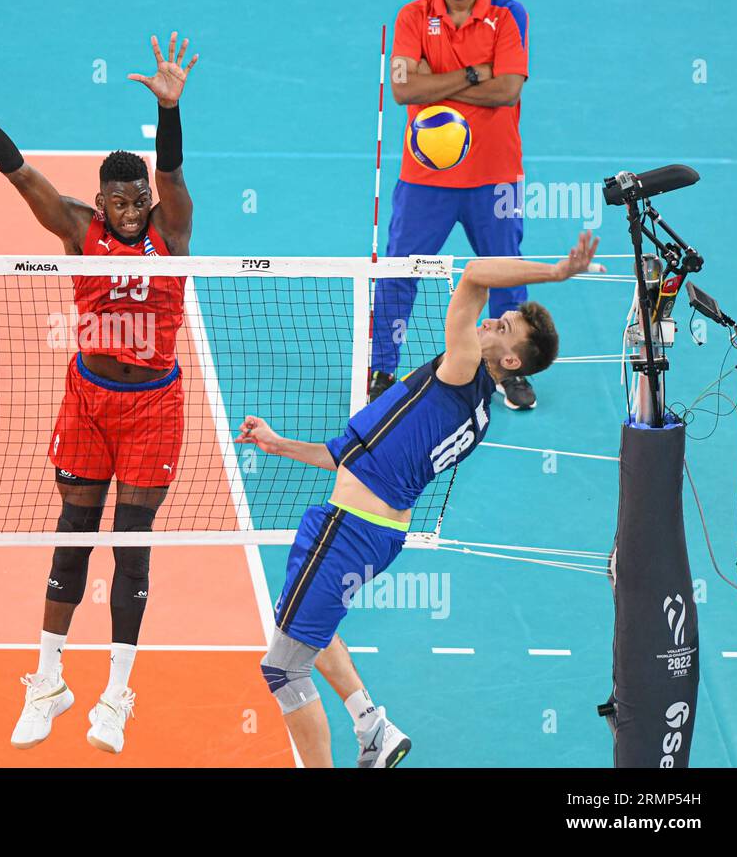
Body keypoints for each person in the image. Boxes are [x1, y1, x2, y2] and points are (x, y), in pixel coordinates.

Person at [0, 33, 197, 754]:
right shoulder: (77, 229)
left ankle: (116, 697)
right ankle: (47, 681)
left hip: (155, 409)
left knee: (131, 552)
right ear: (100, 199)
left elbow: (172, 170)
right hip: (89, 403)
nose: (132, 207)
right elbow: (18, 175)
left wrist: (169, 111)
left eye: (138, 197)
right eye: (119, 199)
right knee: (72, 542)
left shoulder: (172, 227)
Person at [238, 232, 598, 767]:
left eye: (505, 328)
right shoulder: (475, 413)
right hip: (370, 531)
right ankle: (371, 725)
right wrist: (277, 444)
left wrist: (555, 273)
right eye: (499, 318)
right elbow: (354, 456)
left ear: (513, 362)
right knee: (304, 624)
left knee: (284, 668)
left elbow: (475, 273)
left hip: (351, 529)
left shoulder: (462, 371)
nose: (492, 322)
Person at [374, 0, 535, 410]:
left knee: (507, 276)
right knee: (400, 272)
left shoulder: (509, 14)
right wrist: (471, 75)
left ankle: (512, 370)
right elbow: (403, 90)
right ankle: (382, 367)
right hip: (425, 180)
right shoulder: (413, 16)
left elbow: (509, 89)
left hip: (495, 176)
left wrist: (434, 82)